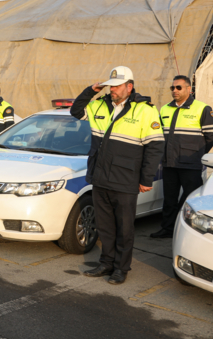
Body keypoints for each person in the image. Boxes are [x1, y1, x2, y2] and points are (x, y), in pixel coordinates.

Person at [70, 66, 164, 285]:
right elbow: (76, 110)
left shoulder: (146, 110)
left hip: (126, 179)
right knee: (105, 226)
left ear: (129, 87)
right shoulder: (99, 105)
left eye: (116, 86)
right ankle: (106, 263)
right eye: (110, 85)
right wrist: (90, 90)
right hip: (100, 177)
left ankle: (121, 268)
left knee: (124, 228)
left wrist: (146, 179)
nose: (111, 89)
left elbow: (155, 147)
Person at [150, 75, 213, 239]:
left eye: (178, 87)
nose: (174, 91)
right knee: (169, 199)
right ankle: (167, 229)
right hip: (169, 163)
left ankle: (188, 230)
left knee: (191, 198)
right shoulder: (165, 108)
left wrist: (198, 155)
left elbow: (212, 136)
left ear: (189, 89)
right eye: (172, 88)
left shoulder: (202, 108)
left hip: (191, 164)